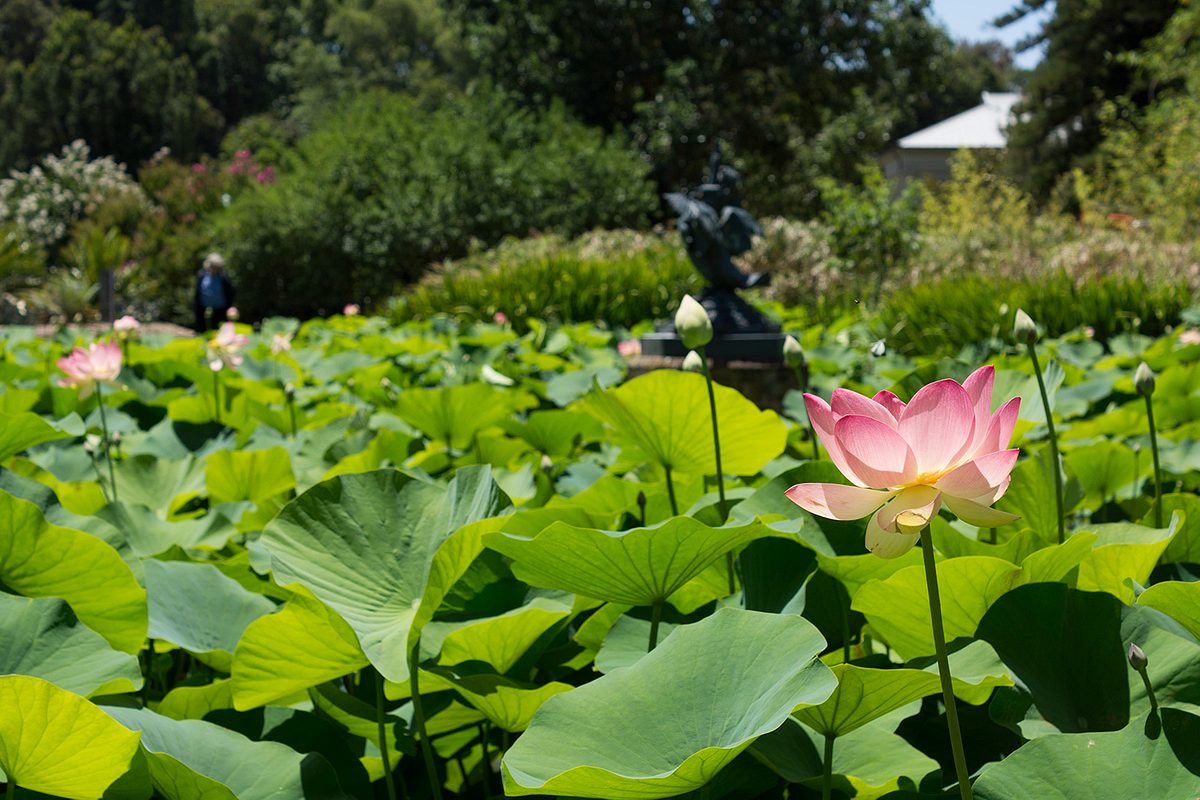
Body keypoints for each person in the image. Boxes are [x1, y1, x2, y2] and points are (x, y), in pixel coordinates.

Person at [194, 253, 236, 331]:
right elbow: (198, 292)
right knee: (203, 330)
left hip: (220, 310)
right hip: (203, 308)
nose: (214, 268)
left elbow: (230, 293)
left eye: (216, 266)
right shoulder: (202, 275)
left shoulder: (224, 277)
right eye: (212, 266)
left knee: (217, 331)